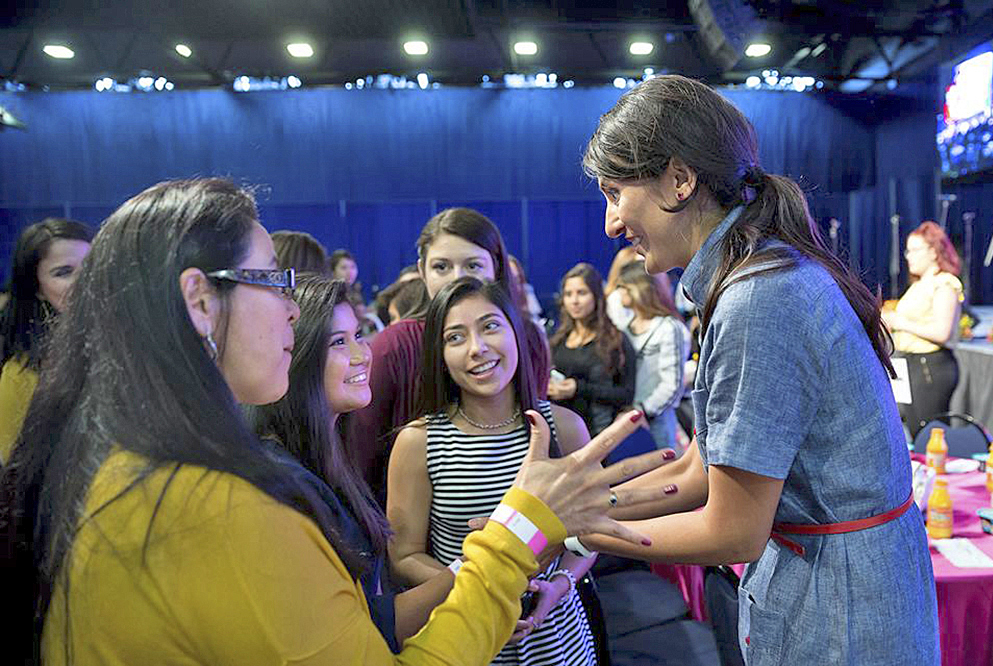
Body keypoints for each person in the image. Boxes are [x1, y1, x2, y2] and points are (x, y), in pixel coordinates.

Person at [0, 178, 665, 666]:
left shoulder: (127, 465)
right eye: (272, 281)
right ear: (200, 301)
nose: (294, 312)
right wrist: (518, 531)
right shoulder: (216, 507)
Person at [577, 75, 938, 664]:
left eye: (616, 193)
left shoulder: (758, 298)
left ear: (680, 179)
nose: (611, 224)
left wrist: (567, 533)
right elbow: (700, 467)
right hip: (839, 592)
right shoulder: (755, 276)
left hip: (841, 616)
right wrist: (584, 505)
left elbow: (732, 530)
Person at [387, 277, 599, 666]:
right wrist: (482, 580)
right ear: (440, 354)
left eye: (490, 326)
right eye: (455, 338)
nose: (477, 349)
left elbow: (593, 531)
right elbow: (404, 553)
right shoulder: (418, 442)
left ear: (515, 332)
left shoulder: (564, 427)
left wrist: (558, 584)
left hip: (557, 638)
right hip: (466, 634)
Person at [249, 275, 460, 651]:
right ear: (295, 356)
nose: (363, 354)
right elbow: (374, 624)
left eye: (359, 335)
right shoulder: (283, 478)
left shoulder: (328, 453)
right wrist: (483, 562)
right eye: (338, 342)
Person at [344, 208, 550, 501]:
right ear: (421, 271)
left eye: (473, 266)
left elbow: (533, 427)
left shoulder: (525, 339)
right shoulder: (393, 346)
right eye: (441, 267)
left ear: (496, 269)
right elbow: (362, 458)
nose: (457, 278)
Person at [0, 218, 93, 463]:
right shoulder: (21, 375)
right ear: (38, 289)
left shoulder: (134, 344)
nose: (84, 281)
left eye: (92, 266)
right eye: (64, 272)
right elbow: (15, 470)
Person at [882, 221, 963, 438]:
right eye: (908, 250)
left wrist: (900, 322)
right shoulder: (918, 285)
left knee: (929, 433)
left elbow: (942, 332)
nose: (909, 256)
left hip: (931, 367)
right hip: (911, 364)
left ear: (934, 252)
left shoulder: (945, 283)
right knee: (916, 431)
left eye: (915, 250)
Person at [609, 262, 690, 450]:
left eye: (622, 287)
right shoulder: (625, 327)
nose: (618, 293)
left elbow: (672, 385)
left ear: (638, 289)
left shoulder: (669, 328)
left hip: (656, 421)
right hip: (625, 419)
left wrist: (642, 410)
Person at [549, 263, 636, 436]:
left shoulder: (615, 340)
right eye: (568, 294)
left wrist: (578, 389)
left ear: (596, 297)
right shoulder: (557, 339)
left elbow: (626, 394)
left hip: (601, 433)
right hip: (562, 431)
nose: (574, 301)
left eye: (582, 293)